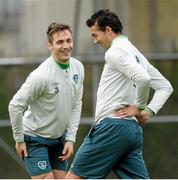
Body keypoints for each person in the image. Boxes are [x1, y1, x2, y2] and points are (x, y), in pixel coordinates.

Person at [65, 9, 173, 179]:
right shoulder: (135, 53)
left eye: (95, 35)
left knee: (73, 178)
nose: (94, 41)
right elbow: (165, 87)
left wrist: (139, 107)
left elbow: (143, 78)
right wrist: (149, 111)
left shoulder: (114, 53)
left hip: (111, 128)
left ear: (108, 30)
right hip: (131, 132)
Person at [8, 22, 84, 179]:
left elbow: (77, 104)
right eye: (60, 42)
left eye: (68, 41)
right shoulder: (41, 76)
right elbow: (15, 106)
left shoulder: (78, 68)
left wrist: (70, 138)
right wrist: (19, 139)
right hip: (34, 139)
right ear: (50, 46)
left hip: (59, 140)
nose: (66, 46)